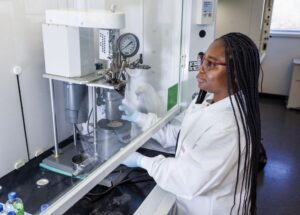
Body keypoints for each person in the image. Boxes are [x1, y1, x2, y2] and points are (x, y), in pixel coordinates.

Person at [119, 32, 261, 215]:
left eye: (210, 64)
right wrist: (138, 117)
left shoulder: (229, 128)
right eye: (202, 60)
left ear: (236, 74)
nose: (201, 69)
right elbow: (180, 137)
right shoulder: (208, 100)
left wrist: (142, 161)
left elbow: (187, 179)